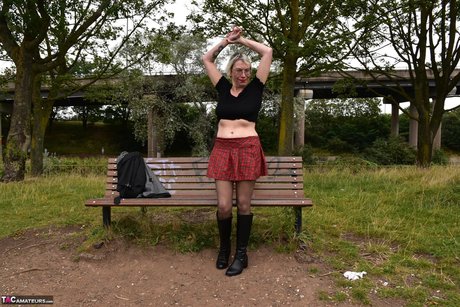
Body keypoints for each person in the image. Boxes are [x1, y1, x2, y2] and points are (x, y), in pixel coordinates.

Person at [202, 26, 273, 277]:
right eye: (239, 70)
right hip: (222, 148)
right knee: (223, 206)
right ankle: (224, 249)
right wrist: (226, 41)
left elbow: (268, 52)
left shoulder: (256, 87)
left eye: (247, 71)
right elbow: (206, 59)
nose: (244, 74)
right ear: (231, 71)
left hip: (247, 148)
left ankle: (241, 255)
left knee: (243, 203)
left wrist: (242, 40)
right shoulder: (221, 87)